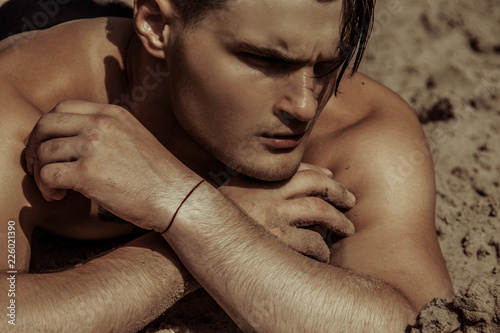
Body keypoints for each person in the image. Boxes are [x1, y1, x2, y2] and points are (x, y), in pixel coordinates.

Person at [0, 0, 454, 331]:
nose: (303, 104)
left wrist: (193, 213)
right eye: (264, 60)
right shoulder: (24, 106)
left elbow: (415, 324)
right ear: (157, 25)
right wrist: (186, 247)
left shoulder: (360, 128)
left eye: (327, 64)